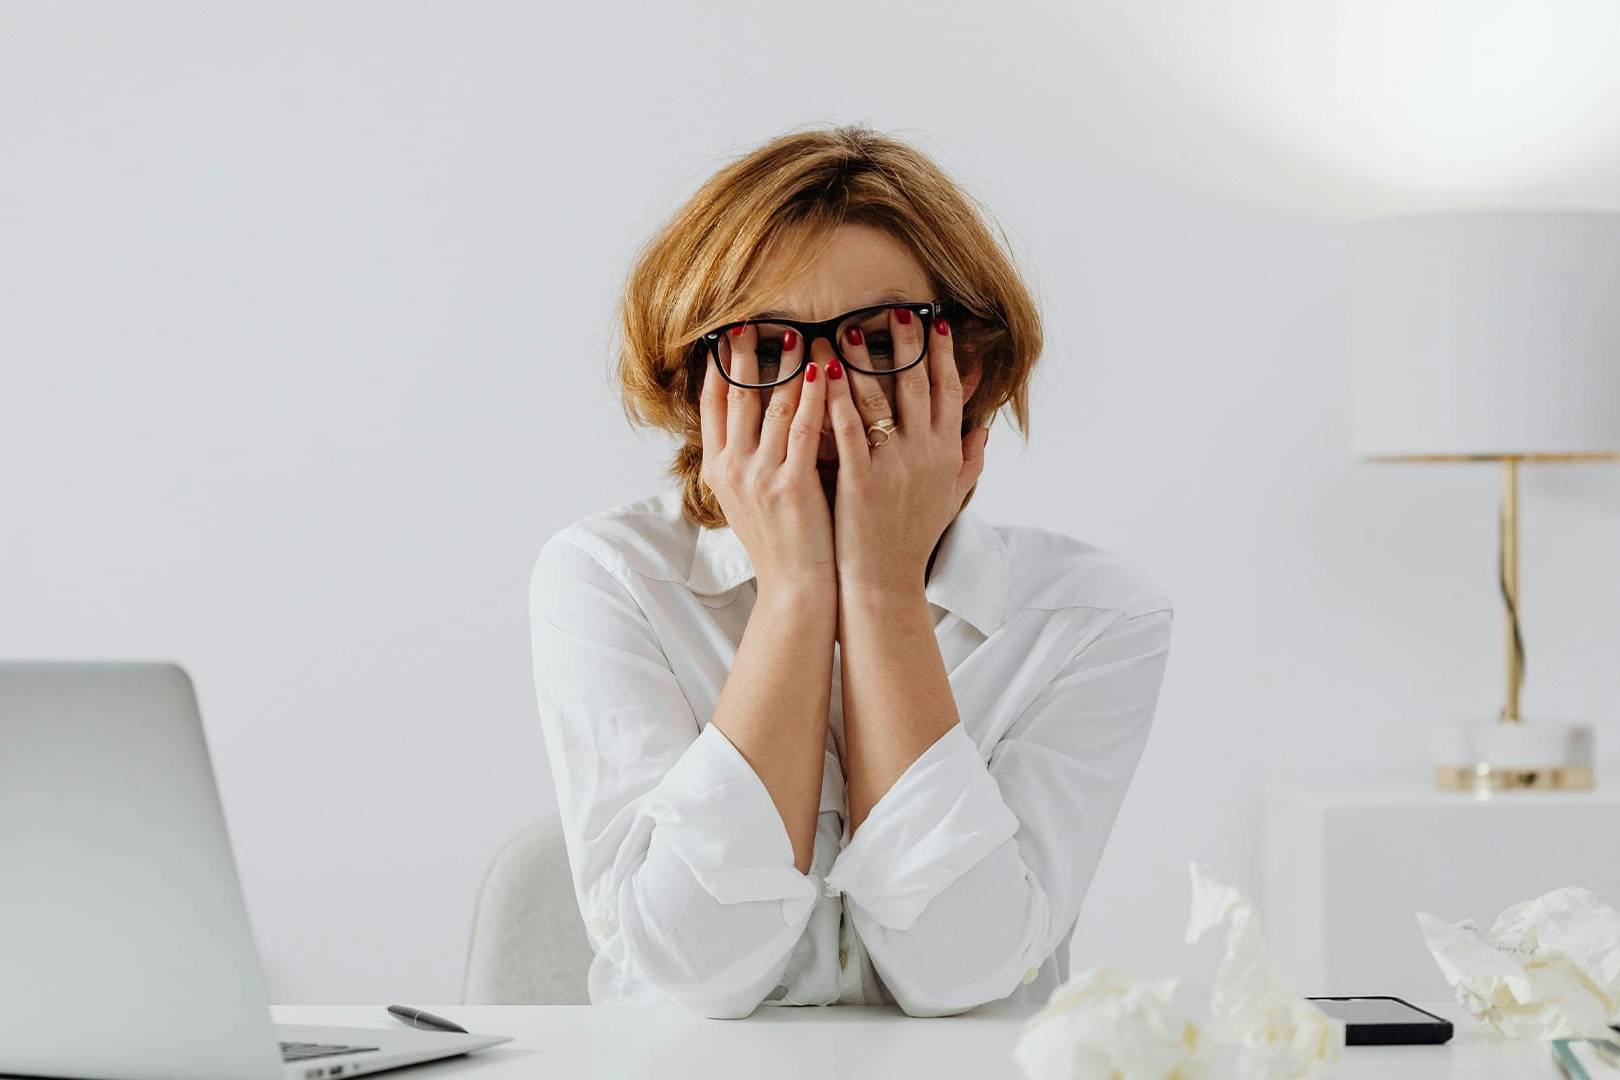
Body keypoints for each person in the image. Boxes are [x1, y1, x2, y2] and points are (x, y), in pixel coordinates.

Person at [529, 124, 1174, 1019]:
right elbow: (697, 971)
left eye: (881, 338)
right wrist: (797, 595)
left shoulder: (1091, 618)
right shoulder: (610, 578)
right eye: (767, 347)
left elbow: (960, 973)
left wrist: (879, 590)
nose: (827, 393)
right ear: (695, 378)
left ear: (969, 365)